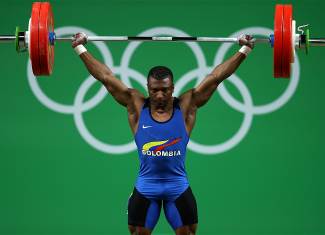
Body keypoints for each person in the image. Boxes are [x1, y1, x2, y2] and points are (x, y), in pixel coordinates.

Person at [72, 32, 254, 235]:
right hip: (146, 186)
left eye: (165, 90)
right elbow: (106, 77)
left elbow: (216, 77)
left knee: (188, 232)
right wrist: (80, 48)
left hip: (177, 186)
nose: (160, 95)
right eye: (155, 90)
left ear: (173, 88)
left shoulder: (186, 106)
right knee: (138, 233)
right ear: (148, 88)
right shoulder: (135, 104)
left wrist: (244, 49)